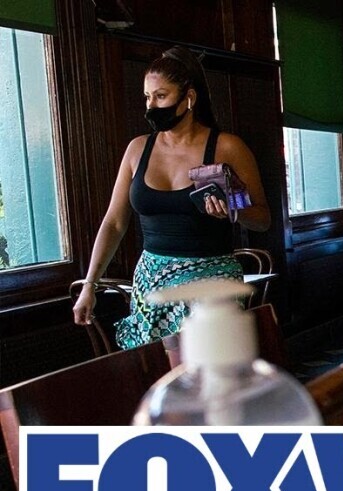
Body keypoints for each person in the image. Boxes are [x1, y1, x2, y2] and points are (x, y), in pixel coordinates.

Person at [72, 46, 271, 348]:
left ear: (188, 97)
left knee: (203, 369)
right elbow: (114, 223)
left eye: (161, 96)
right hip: (150, 281)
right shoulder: (137, 149)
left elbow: (263, 219)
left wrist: (233, 209)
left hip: (212, 281)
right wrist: (90, 284)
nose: (151, 106)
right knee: (157, 368)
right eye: (147, 97)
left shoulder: (227, 147)